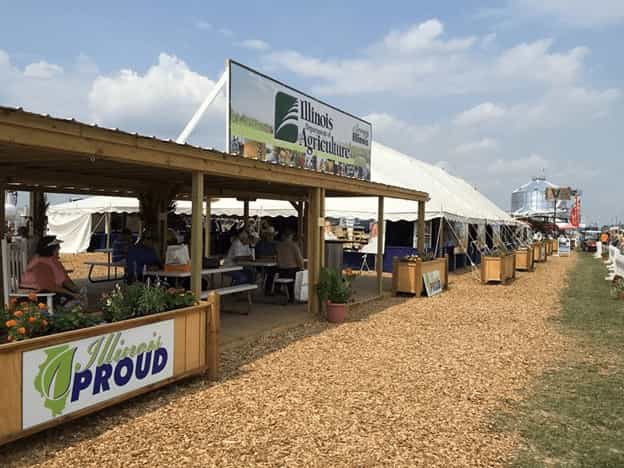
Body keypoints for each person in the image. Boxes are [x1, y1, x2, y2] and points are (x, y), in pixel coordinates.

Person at [20, 235, 82, 304]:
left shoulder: (48, 260)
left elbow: (63, 278)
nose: (59, 248)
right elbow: (49, 286)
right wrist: (72, 294)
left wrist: (75, 290)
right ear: (51, 249)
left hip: (40, 292)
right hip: (34, 295)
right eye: (57, 247)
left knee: (69, 293)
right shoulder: (41, 264)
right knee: (66, 296)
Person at [276, 229, 304, 302]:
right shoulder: (293, 245)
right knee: (299, 277)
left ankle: (281, 292)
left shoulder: (279, 245)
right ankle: (294, 296)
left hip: (281, 269)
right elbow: (299, 258)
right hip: (292, 269)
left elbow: (277, 258)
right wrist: (302, 268)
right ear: (291, 236)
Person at [255, 226, 278, 294]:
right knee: (271, 272)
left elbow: (278, 254)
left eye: (272, 235)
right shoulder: (260, 244)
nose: (271, 236)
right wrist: (271, 257)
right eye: (269, 235)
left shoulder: (276, 243)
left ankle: (276, 290)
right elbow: (259, 256)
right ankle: (268, 290)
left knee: (283, 270)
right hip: (260, 265)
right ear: (266, 235)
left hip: (272, 264)